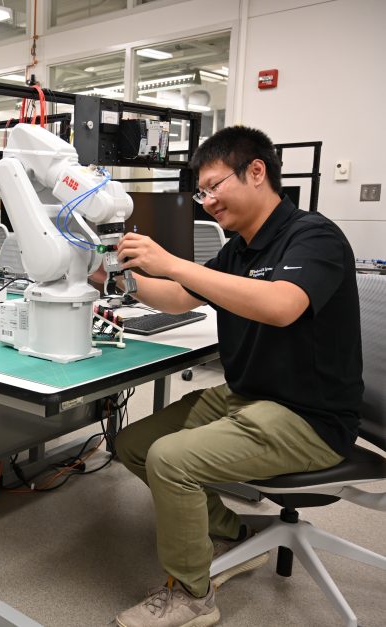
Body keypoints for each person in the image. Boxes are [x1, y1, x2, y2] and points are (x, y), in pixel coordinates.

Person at [108, 126, 363, 627]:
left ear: (257, 171)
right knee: (134, 444)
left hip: (309, 415)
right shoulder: (241, 248)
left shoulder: (314, 236)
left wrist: (173, 263)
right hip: (247, 395)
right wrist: (118, 278)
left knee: (170, 459)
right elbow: (178, 298)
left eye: (213, 187)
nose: (207, 202)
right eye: (201, 193)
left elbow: (282, 306)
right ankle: (230, 533)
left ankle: (192, 597)